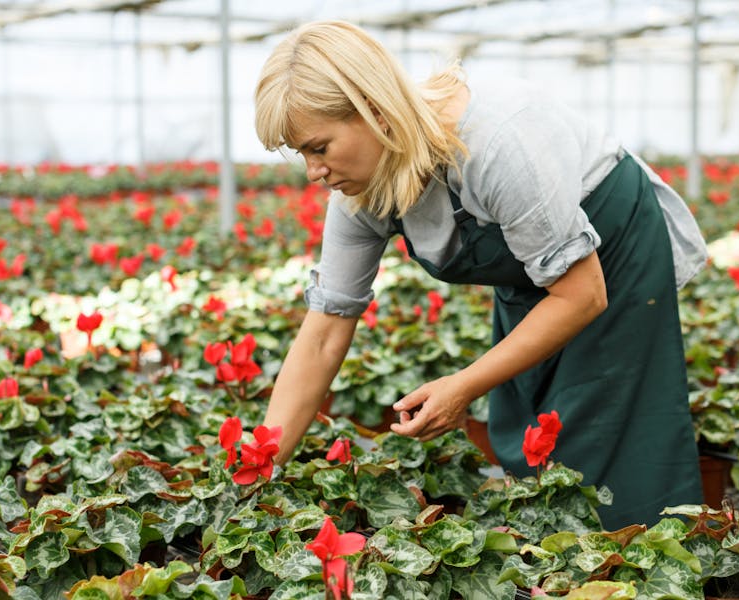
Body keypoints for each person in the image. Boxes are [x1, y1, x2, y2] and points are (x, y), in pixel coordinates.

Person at [254, 20, 708, 529]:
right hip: (534, 277)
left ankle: (645, 560)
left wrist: (464, 385)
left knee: (605, 432)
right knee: (531, 427)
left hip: (611, 253)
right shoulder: (359, 193)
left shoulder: (497, 143)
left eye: (319, 147)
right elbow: (323, 333)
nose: (313, 172)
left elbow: (580, 295)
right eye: (301, 154)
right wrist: (258, 469)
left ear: (374, 113)